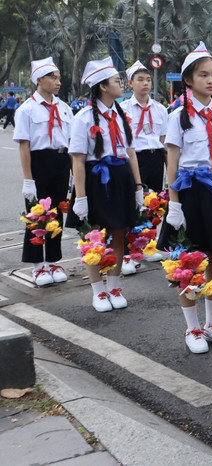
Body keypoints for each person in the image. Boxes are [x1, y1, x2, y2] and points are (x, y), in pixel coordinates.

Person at [160, 42, 212, 353]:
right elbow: (173, 161)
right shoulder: (179, 116)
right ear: (188, 80)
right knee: (188, 260)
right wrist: (174, 203)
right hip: (191, 193)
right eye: (203, 76)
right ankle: (192, 328)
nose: (211, 81)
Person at [67, 58, 143, 312]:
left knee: (119, 233)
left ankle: (113, 285)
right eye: (117, 81)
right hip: (96, 179)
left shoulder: (122, 115)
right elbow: (77, 159)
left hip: (120, 178)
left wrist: (138, 186)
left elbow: (130, 152)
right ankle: (98, 291)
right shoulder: (84, 117)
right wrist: (80, 197)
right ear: (103, 87)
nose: (121, 85)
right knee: (94, 236)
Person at [15, 58, 73, 287]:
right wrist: (28, 179)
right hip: (39, 162)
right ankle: (38, 266)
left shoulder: (64, 108)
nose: (58, 82)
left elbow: (70, 142)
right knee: (38, 215)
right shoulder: (26, 110)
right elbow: (24, 147)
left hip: (61, 161)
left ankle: (53, 260)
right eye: (53, 77)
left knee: (57, 213)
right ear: (39, 80)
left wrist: (71, 173)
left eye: (58, 78)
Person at [120, 61, 168, 271]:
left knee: (153, 203)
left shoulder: (159, 109)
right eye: (140, 80)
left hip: (155, 157)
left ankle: (148, 245)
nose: (145, 83)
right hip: (134, 158)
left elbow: (164, 140)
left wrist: (170, 171)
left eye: (148, 79)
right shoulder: (123, 109)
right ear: (130, 83)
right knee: (133, 202)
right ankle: (128, 251)